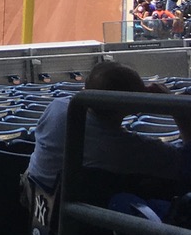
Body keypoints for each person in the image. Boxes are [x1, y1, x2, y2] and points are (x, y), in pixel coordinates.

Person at [24, 61, 191, 195]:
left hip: (33, 202)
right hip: (77, 224)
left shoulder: (57, 107)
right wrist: (175, 109)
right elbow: (186, 162)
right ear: (135, 102)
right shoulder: (124, 147)